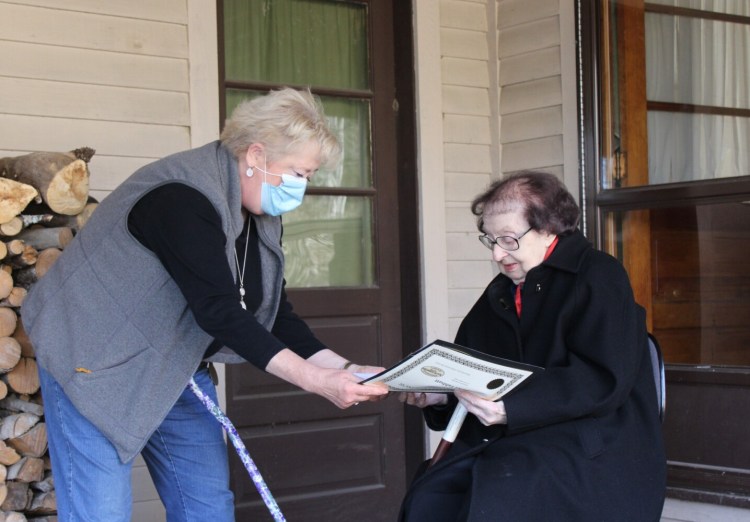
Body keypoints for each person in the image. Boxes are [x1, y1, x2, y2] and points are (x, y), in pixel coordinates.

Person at [22, 87, 388, 521]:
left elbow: (273, 313)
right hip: (92, 357)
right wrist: (314, 379)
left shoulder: (258, 213)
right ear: (255, 155)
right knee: (101, 513)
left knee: (207, 507)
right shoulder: (181, 197)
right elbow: (219, 311)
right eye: (297, 172)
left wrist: (343, 369)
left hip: (173, 361)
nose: (301, 187)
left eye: (307, 176)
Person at [398, 171, 666, 521]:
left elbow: (603, 378)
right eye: (490, 240)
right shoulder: (502, 292)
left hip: (595, 445)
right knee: (431, 495)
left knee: (500, 497)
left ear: (549, 228)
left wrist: (512, 407)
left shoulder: (599, 274)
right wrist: (442, 396)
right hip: (518, 441)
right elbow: (475, 368)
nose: (497, 254)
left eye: (508, 240)